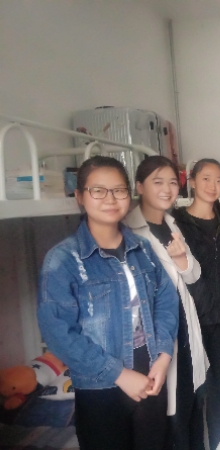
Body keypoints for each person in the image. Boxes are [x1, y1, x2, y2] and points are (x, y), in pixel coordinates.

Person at [37, 156, 178, 450]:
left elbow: (166, 299)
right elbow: (58, 332)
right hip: (100, 380)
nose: (110, 199)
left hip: (151, 368)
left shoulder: (143, 249)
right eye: (98, 190)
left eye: (119, 190)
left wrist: (164, 355)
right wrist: (119, 374)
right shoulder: (63, 259)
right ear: (80, 196)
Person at [123, 156, 208, 450]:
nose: (167, 189)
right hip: (159, 334)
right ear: (139, 186)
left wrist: (182, 259)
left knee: (191, 406)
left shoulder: (173, 225)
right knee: (173, 419)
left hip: (185, 326)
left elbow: (194, 275)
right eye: (157, 182)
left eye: (173, 182)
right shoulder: (129, 230)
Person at [172, 159, 220, 450]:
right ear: (192, 181)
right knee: (195, 391)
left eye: (218, 180)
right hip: (193, 320)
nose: (212, 186)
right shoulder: (177, 225)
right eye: (206, 178)